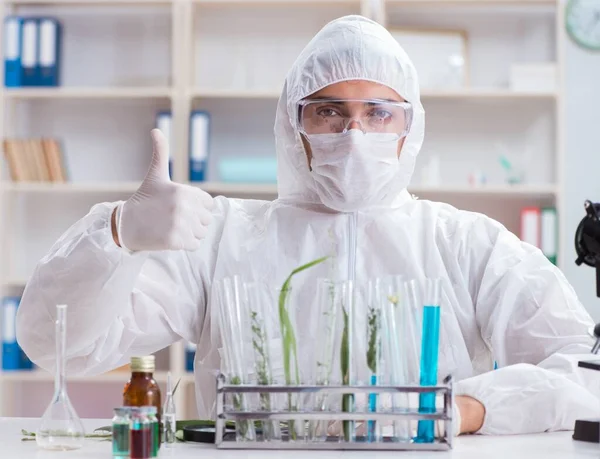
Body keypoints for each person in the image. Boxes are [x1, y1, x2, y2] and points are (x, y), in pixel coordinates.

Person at [15, 15, 600, 436]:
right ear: (294, 127)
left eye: (377, 112)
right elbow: (58, 347)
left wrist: (471, 408)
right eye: (329, 111)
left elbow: (582, 370)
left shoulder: (468, 244)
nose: (354, 134)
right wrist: (117, 235)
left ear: (409, 126)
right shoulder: (224, 236)